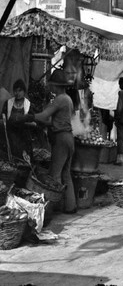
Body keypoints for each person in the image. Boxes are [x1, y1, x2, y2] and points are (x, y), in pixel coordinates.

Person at [20, 70, 77, 213]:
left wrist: (30, 117)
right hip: (68, 138)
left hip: (61, 138)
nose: (50, 87)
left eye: (51, 84)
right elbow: (53, 120)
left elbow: (45, 115)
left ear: (56, 85)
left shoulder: (60, 99)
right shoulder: (67, 99)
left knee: (55, 174)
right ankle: (71, 207)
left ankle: (54, 207)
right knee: (66, 174)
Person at [1, 79, 35, 160]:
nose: (17, 93)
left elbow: (33, 121)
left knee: (24, 159)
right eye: (15, 91)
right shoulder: (8, 103)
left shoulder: (29, 105)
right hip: (10, 136)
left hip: (24, 137)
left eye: (20, 91)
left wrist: (24, 122)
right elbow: (3, 117)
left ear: (24, 91)